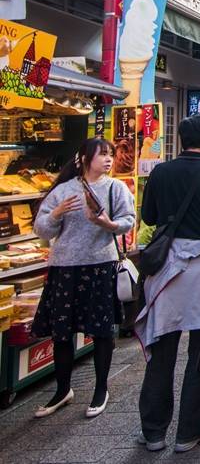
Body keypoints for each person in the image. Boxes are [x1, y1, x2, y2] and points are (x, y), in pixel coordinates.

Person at [136, 114, 200, 453]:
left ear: (180, 138)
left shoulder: (161, 173)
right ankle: (189, 431)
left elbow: (149, 217)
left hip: (166, 270)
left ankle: (153, 431)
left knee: (161, 349)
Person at [30, 138, 135, 419]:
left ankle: (101, 388)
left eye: (110, 155)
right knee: (61, 332)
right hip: (64, 266)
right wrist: (56, 213)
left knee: (102, 331)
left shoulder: (116, 188)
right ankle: (63, 389)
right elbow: (41, 230)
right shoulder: (64, 190)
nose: (109, 159)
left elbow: (128, 220)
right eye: (103, 155)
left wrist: (107, 224)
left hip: (100, 264)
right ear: (85, 157)